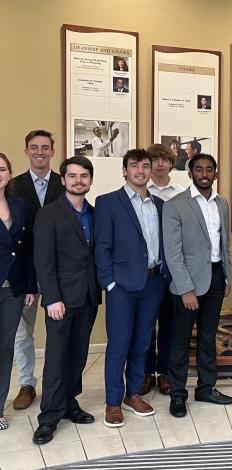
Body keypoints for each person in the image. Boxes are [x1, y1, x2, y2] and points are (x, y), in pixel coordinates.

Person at [95, 149, 170, 428]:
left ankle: (133, 393)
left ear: (151, 171)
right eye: (134, 165)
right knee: (119, 344)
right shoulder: (108, 203)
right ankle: (113, 402)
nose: (141, 170)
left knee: (142, 342)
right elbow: (101, 247)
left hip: (153, 282)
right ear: (125, 171)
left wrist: (163, 277)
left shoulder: (159, 205)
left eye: (145, 165)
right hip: (122, 286)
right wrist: (110, 284)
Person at [32, 156, 101, 445]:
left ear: (90, 180)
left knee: (78, 356)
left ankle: (70, 404)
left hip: (88, 296)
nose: (78, 181)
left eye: (84, 176)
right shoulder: (49, 214)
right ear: (62, 180)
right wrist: (52, 298)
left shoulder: (95, 214)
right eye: (72, 176)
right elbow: (43, 261)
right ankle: (48, 417)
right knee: (57, 359)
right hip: (60, 300)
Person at [164, 154, 232, 418]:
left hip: (216, 278)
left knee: (207, 337)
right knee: (180, 341)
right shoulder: (175, 205)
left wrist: (227, 277)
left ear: (215, 174)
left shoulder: (222, 204)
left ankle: (206, 388)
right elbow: (173, 253)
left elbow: (223, 244)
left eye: (209, 169)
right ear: (190, 173)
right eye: (198, 169)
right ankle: (178, 395)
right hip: (188, 283)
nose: (204, 173)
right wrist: (185, 289)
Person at [8, 130, 65, 411]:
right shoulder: (13, 186)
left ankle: (59, 383)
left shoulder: (64, 183)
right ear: (26, 151)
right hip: (24, 272)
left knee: (59, 331)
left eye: (45, 147)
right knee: (22, 333)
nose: (39, 152)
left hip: (58, 271)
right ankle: (27, 383)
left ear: (52, 151)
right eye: (34, 147)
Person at [142, 144, 185, 395]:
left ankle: (165, 373)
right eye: (154, 160)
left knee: (170, 324)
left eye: (164, 160)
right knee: (146, 325)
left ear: (171, 164)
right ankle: (146, 372)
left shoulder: (181, 194)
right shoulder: (140, 191)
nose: (159, 164)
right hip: (148, 270)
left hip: (173, 271)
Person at [0, 153, 36, 432]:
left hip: (13, 289)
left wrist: (29, 287)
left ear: (10, 174)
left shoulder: (19, 205)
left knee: (4, 349)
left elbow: (25, 251)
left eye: (1, 169)